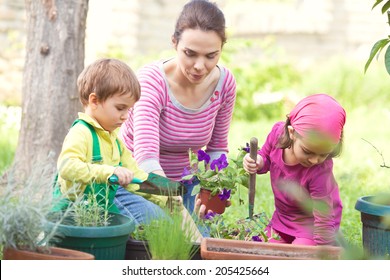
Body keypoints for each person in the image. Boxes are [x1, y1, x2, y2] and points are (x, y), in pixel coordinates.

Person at [119, 0, 237, 214]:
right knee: (161, 227)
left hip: (186, 186)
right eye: (190, 53)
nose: (200, 66)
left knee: (203, 241)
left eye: (211, 56)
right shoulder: (152, 82)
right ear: (174, 42)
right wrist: (175, 208)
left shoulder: (225, 83)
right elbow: (146, 158)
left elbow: (217, 148)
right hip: (137, 182)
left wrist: (215, 191)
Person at [55, 58, 167, 225]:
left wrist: (165, 196)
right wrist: (109, 172)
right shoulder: (81, 132)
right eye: (120, 108)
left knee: (158, 220)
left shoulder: (114, 140)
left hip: (101, 206)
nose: (126, 116)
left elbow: (137, 175)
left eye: (129, 109)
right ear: (94, 101)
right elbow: (67, 166)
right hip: (73, 212)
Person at [243, 93, 346, 246]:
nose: (314, 160)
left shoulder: (320, 170)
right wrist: (257, 161)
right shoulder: (277, 135)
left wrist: (323, 248)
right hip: (283, 220)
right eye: (307, 151)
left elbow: (323, 216)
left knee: (299, 255)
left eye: (323, 154)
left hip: (313, 225)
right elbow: (265, 157)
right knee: (265, 249)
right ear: (292, 133)